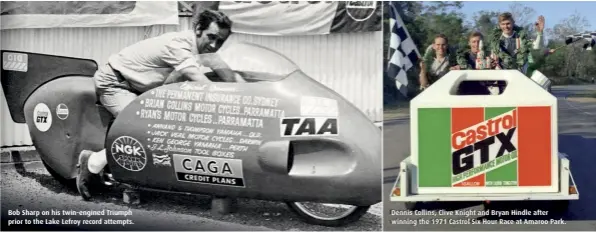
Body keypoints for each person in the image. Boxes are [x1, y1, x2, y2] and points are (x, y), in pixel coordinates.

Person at [76, 9, 234, 200]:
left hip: (141, 87)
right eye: (211, 37)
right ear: (198, 29)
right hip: (116, 82)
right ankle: (92, 161)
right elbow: (199, 79)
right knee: (148, 129)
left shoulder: (205, 49)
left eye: (220, 41)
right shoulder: (179, 46)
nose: (214, 44)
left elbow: (228, 74)